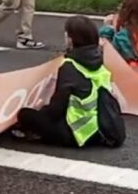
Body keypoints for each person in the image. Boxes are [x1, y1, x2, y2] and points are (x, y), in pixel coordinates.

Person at [13, 16, 125, 147]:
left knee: (25, 115)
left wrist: (39, 110)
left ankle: (34, 133)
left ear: (71, 39)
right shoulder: (100, 62)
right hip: (100, 130)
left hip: (76, 134)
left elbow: (55, 111)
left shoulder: (70, 66)